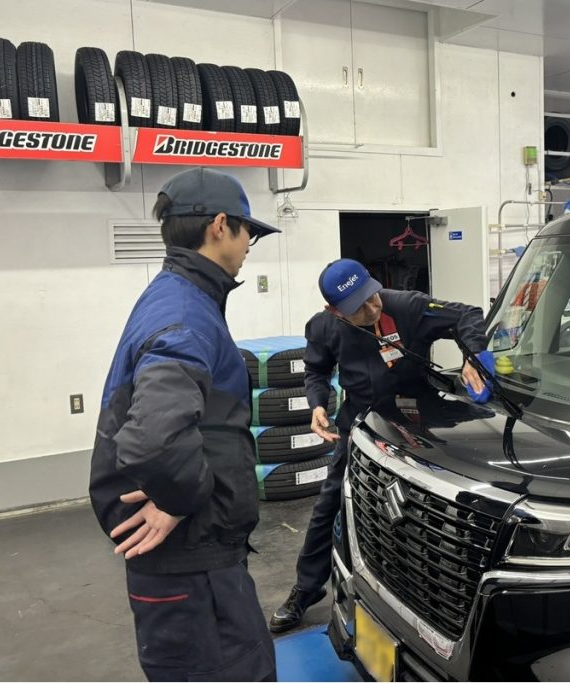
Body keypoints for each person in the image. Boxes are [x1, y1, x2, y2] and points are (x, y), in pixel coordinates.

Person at [89, 168, 280, 682]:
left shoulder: (176, 295)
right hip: (194, 569)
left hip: (190, 566)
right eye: (248, 231)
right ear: (219, 225)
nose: (249, 244)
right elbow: (154, 438)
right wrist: (178, 498)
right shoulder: (185, 314)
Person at [269, 258, 490, 633]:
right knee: (329, 504)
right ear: (335, 311)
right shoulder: (323, 327)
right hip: (361, 425)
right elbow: (316, 370)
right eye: (359, 307)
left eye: (372, 296)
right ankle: (306, 588)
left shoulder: (408, 306)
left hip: (418, 424)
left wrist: (474, 355)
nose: (372, 308)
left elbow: (467, 314)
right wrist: (317, 404)